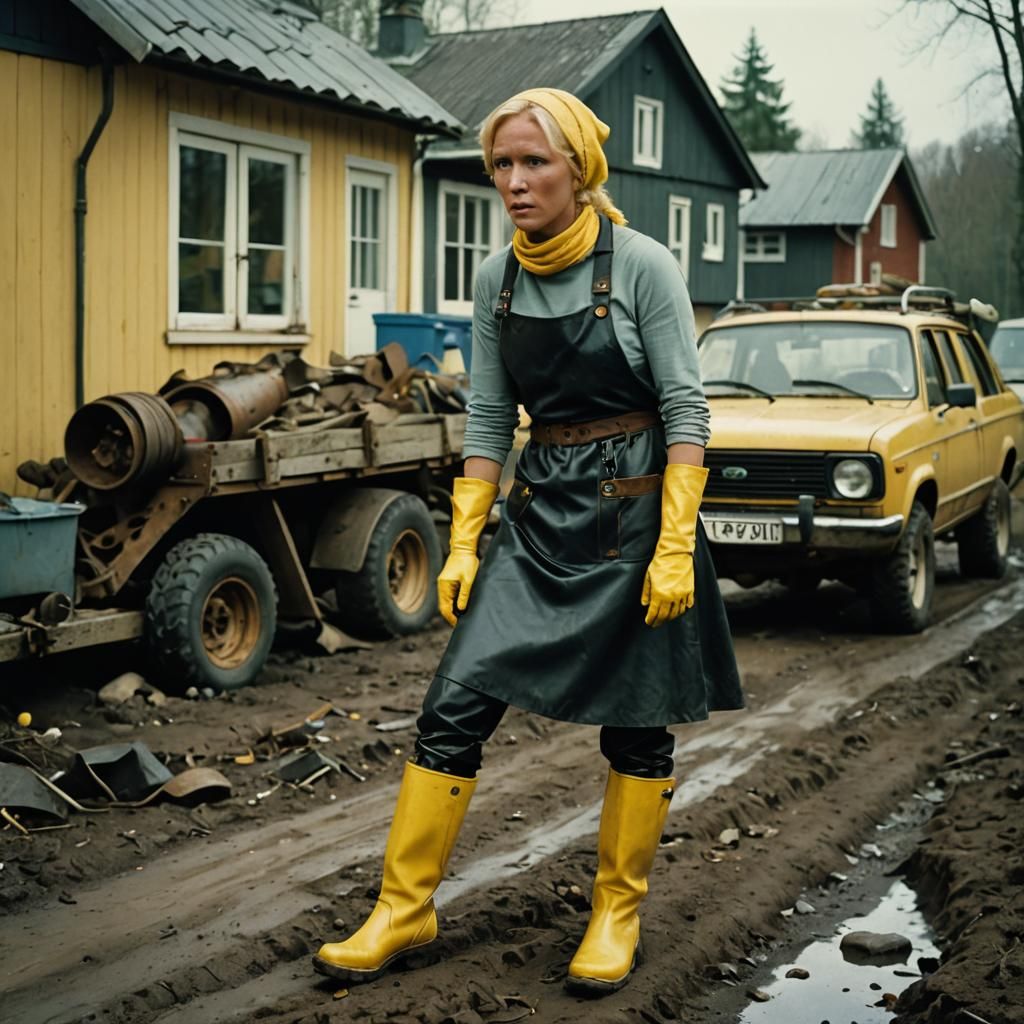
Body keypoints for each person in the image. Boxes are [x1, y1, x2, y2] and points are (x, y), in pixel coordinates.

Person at [313, 87, 743, 995]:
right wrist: (465, 540)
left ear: (580, 170)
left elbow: (685, 409)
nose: (513, 182)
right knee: (454, 704)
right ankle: (404, 905)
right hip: (539, 518)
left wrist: (674, 546)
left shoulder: (643, 267)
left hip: (634, 523)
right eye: (501, 164)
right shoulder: (495, 276)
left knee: (636, 727)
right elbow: (485, 418)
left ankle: (615, 912)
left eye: (533, 163)